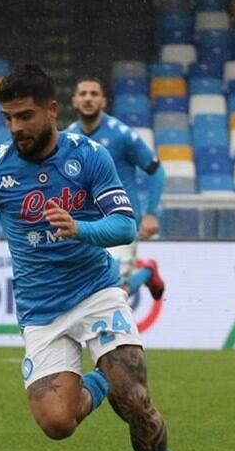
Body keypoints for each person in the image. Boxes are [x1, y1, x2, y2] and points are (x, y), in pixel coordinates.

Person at [0, 64, 172, 451]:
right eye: (8, 118)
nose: (16, 127)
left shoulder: (91, 156)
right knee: (57, 423)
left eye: (25, 116)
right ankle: (102, 380)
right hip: (41, 310)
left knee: (137, 403)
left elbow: (125, 226)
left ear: (52, 110)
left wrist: (81, 229)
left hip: (97, 292)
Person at [65, 77, 166, 301]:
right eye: (83, 94)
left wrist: (151, 213)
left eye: (94, 93)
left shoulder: (122, 135)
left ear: (104, 101)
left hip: (119, 220)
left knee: (115, 292)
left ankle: (148, 270)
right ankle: (147, 272)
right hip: (85, 224)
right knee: (89, 291)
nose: (88, 98)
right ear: (74, 101)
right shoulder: (67, 139)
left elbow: (157, 171)